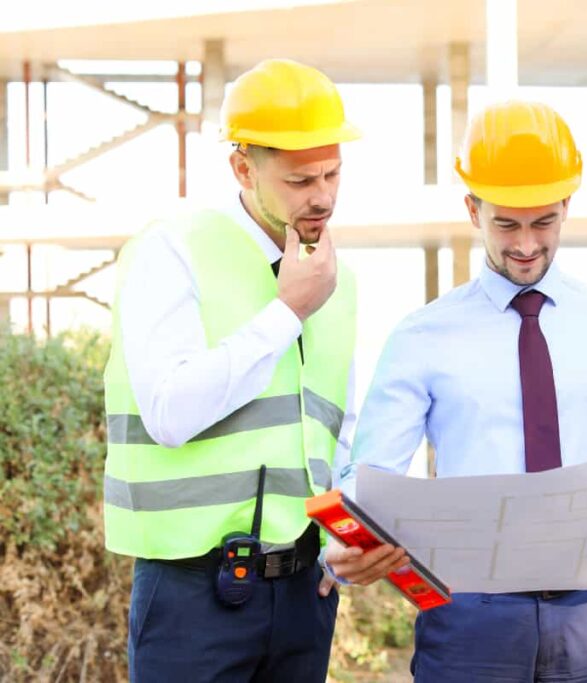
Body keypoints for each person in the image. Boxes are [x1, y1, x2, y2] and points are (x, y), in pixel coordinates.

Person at [325, 100, 587, 682]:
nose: (525, 244)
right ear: (472, 209)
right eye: (506, 224)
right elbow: (372, 472)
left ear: (567, 206)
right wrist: (340, 553)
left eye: (543, 222)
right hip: (470, 615)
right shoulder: (422, 336)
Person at [103, 58, 360, 682]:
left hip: (305, 593)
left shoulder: (339, 279)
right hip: (194, 595)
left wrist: (344, 542)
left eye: (332, 174)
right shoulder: (172, 250)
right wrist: (287, 312)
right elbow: (170, 414)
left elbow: (339, 434)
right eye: (301, 180)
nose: (322, 196)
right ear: (242, 167)